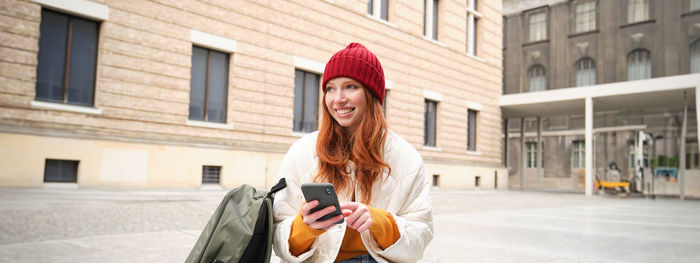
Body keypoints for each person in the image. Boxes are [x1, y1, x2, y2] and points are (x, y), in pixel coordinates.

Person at [272, 43, 433, 263]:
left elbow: (420, 239)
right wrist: (304, 228)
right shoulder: (302, 151)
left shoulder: (407, 158)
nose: (338, 99)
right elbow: (278, 237)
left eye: (350, 86)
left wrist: (380, 223)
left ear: (371, 95)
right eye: (330, 88)